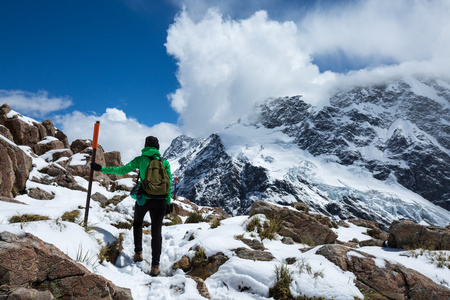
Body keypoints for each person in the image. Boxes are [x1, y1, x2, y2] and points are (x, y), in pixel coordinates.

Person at [91, 136, 172, 277]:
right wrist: (169, 202)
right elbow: (169, 183)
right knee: (156, 231)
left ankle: (138, 253)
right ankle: (155, 267)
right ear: (158, 147)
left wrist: (102, 168)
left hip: (143, 199)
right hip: (160, 201)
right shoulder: (164, 162)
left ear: (145, 146)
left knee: (138, 223)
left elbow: (122, 170)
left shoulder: (140, 160)